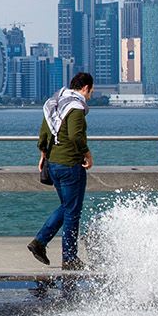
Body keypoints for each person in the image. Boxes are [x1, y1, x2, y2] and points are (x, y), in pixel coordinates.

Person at [28, 72, 95, 270]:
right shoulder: (75, 107)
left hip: (54, 163)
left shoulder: (55, 102)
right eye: (91, 90)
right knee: (72, 211)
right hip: (70, 164)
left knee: (67, 206)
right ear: (85, 88)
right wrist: (87, 154)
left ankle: (40, 243)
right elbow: (75, 136)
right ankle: (69, 258)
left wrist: (43, 155)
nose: (90, 95)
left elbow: (44, 133)